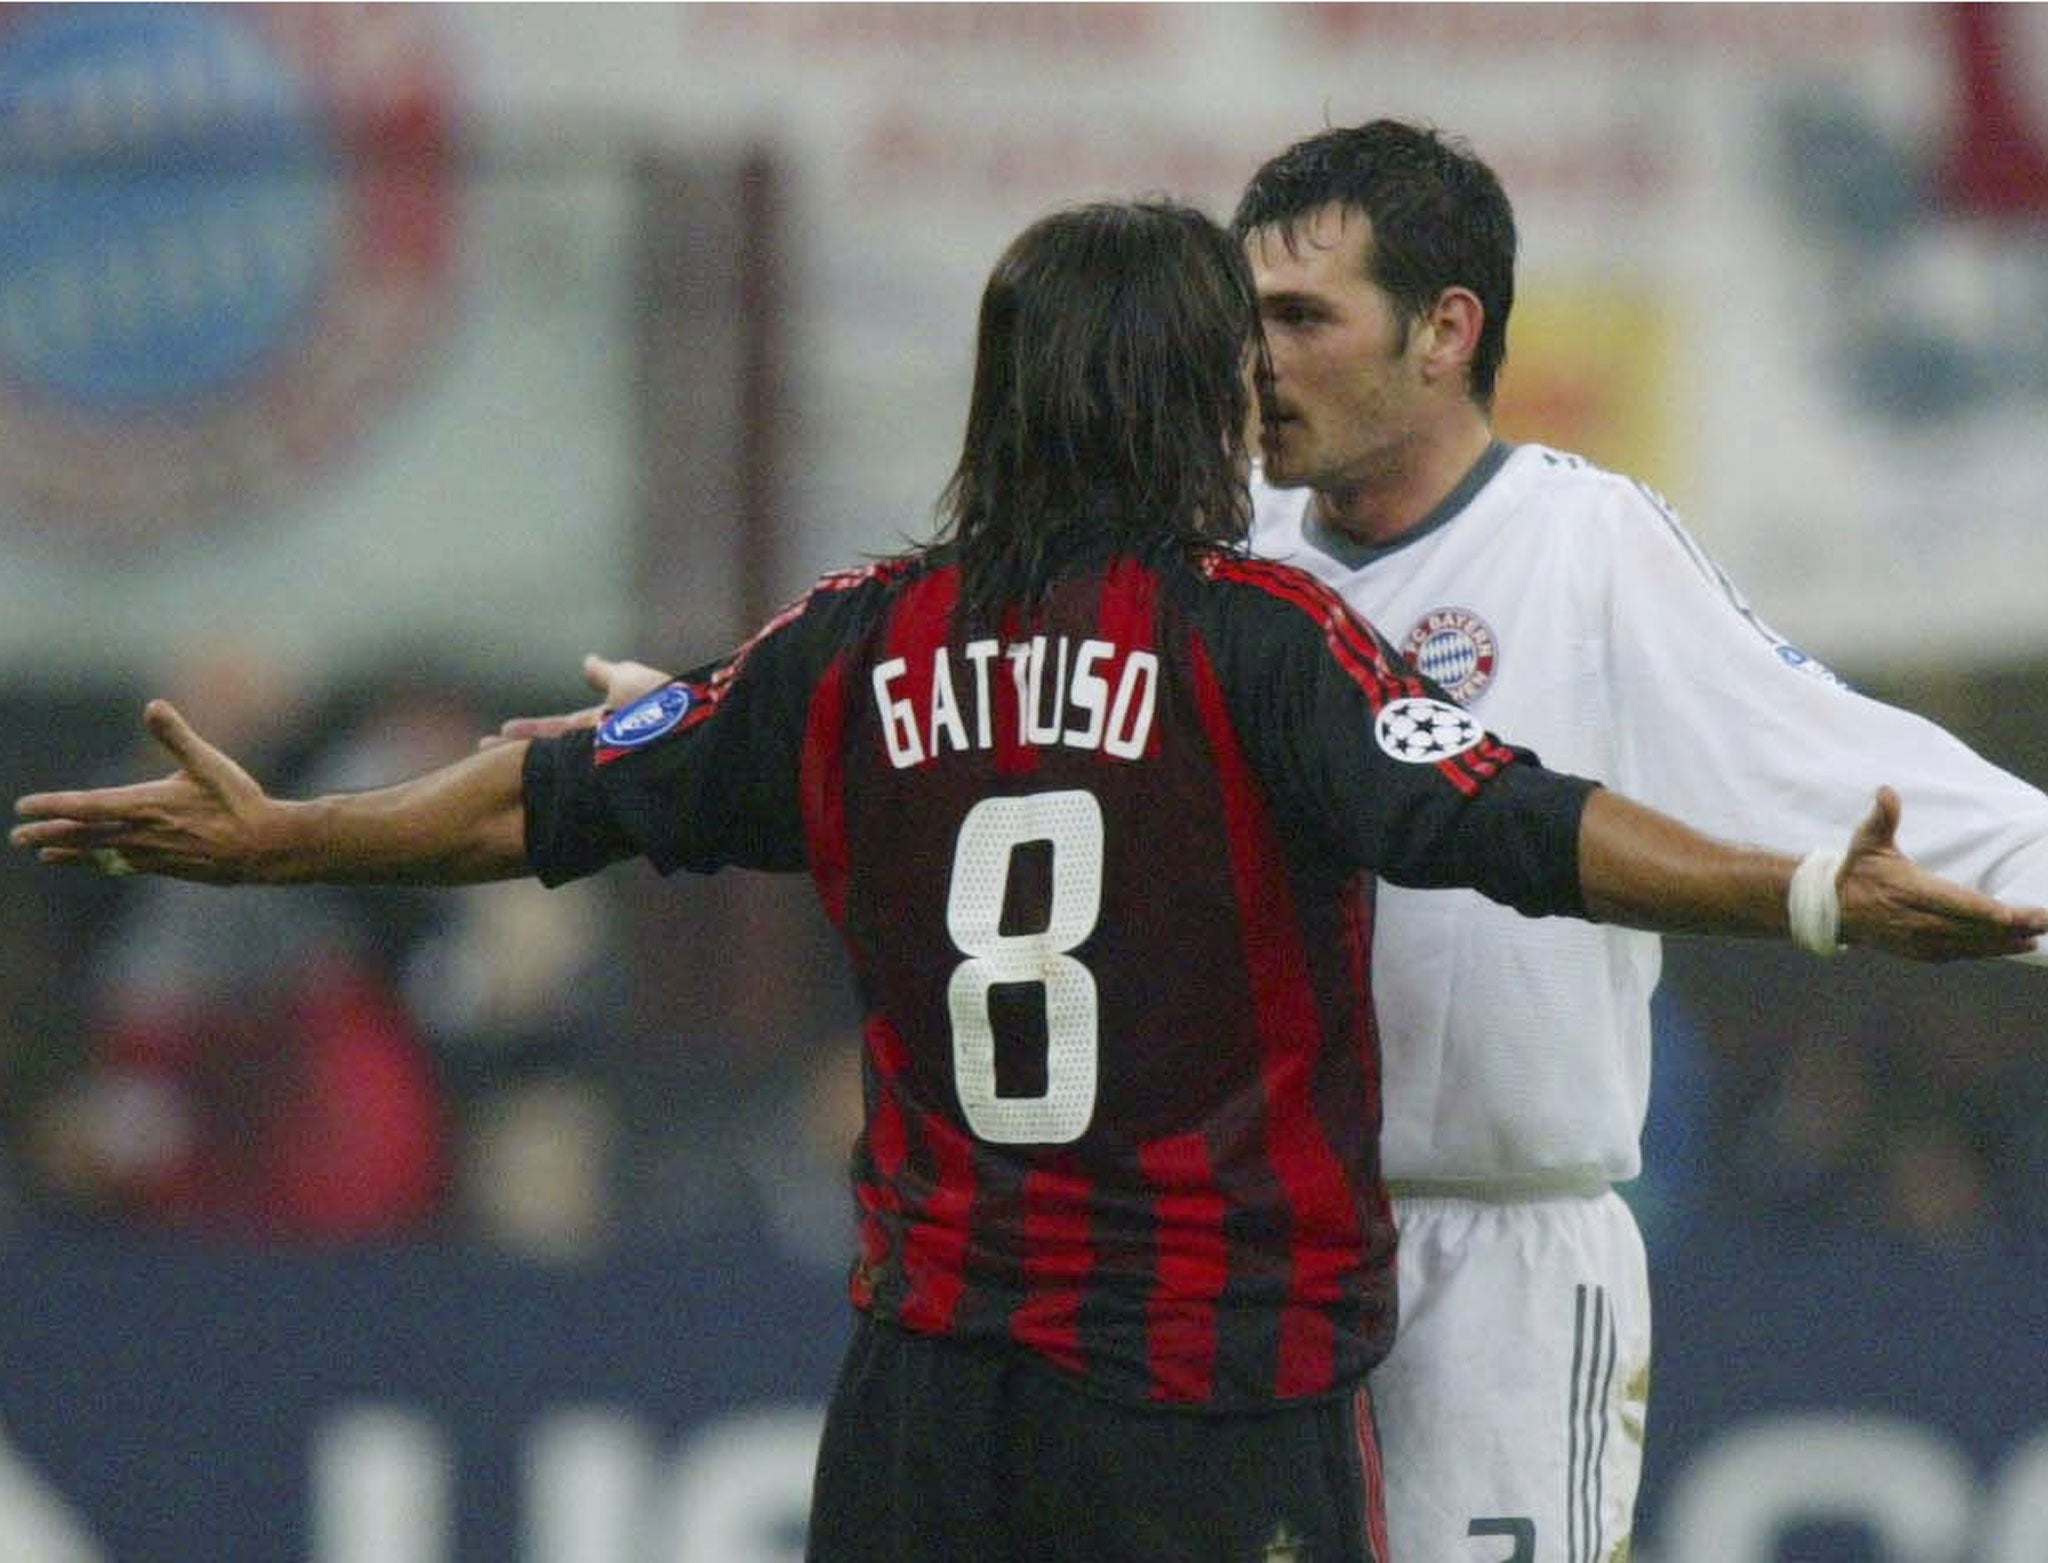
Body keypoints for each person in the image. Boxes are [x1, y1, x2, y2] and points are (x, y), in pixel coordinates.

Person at [13, 200, 2042, 1563]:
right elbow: (1517, 817)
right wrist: (1798, 895)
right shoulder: (1263, 642)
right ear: (1172, 393)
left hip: (923, 1388)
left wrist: (286, 835)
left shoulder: (852, 643)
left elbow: (559, 799)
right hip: (1200, 1380)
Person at [1233, 119, 2048, 1562]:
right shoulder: (1221, 553)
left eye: (1304, 317)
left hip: (1498, 1251)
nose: (1261, 358)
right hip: (1235, 1253)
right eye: (1247, 319)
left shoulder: (1579, 544)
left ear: (1444, 330)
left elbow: (1826, 755)